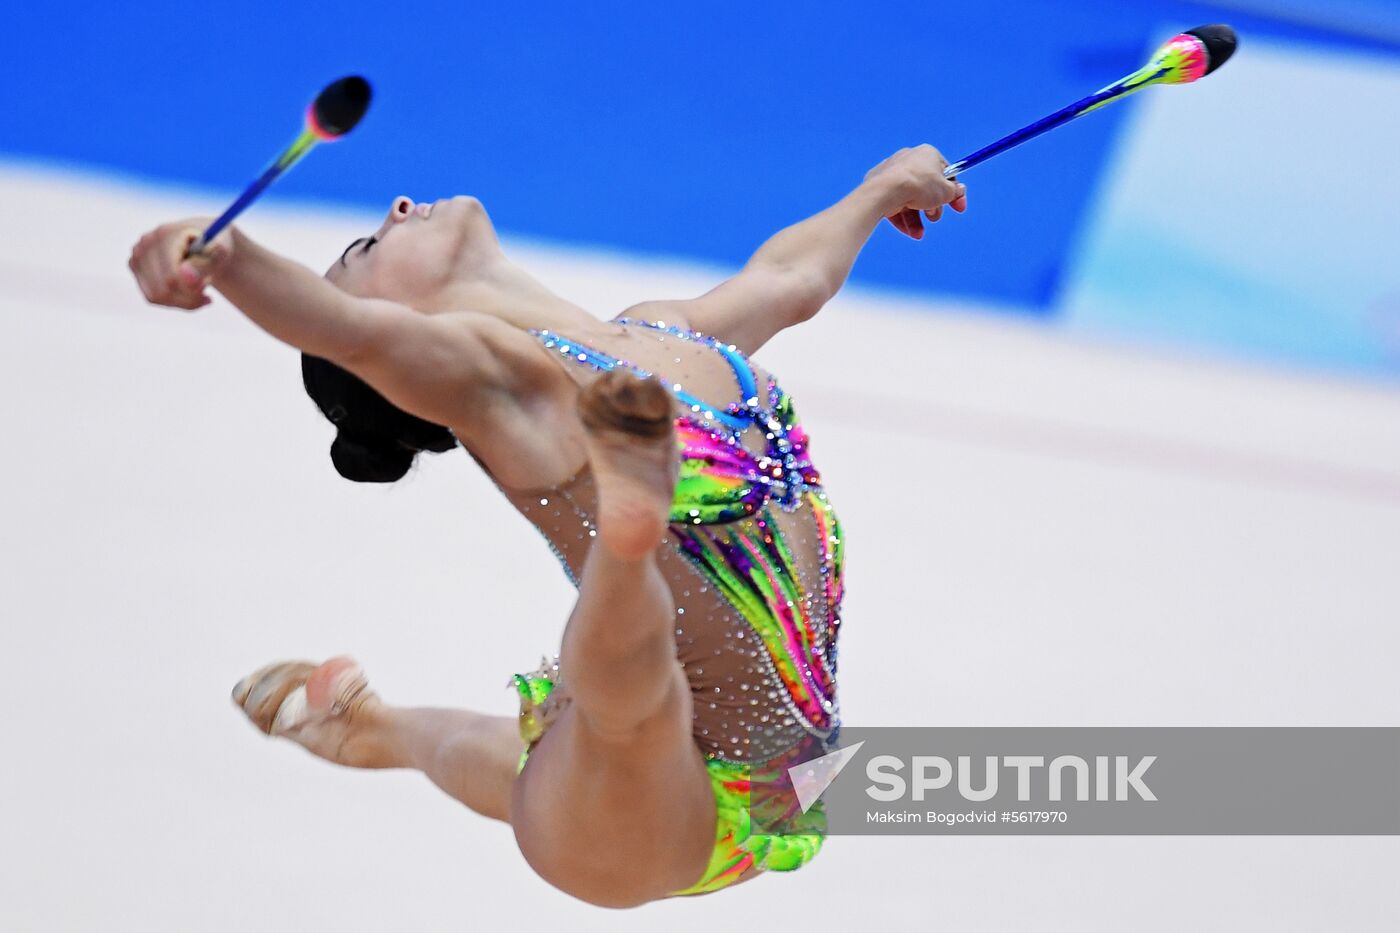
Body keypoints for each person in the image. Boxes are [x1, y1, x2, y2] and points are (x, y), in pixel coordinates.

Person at [127, 144, 968, 907]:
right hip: (651, 817)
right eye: (368, 250)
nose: (400, 204)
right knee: (637, 711)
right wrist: (223, 253)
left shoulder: (659, 334)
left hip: (785, 789)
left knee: (516, 747)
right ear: (406, 345)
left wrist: (877, 191)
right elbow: (336, 326)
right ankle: (630, 531)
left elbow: (789, 276)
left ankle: (370, 728)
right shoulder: (506, 388)